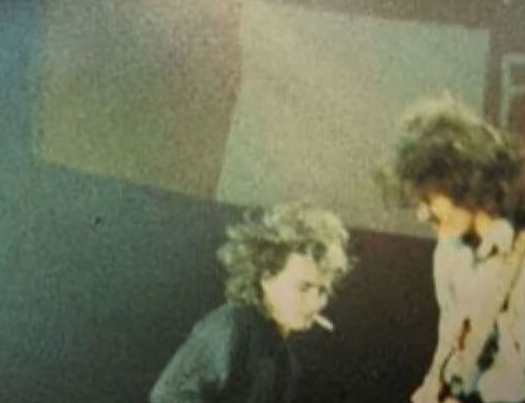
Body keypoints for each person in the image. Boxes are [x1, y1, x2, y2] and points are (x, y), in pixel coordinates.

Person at [385, 96, 525, 403]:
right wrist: (430, 390)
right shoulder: (448, 255)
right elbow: (452, 348)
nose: (422, 214)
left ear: (465, 180)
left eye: (428, 197)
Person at [150, 203, 352, 403]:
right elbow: (169, 396)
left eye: (322, 290)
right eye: (304, 287)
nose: (315, 301)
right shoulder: (234, 325)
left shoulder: (284, 361)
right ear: (267, 277)